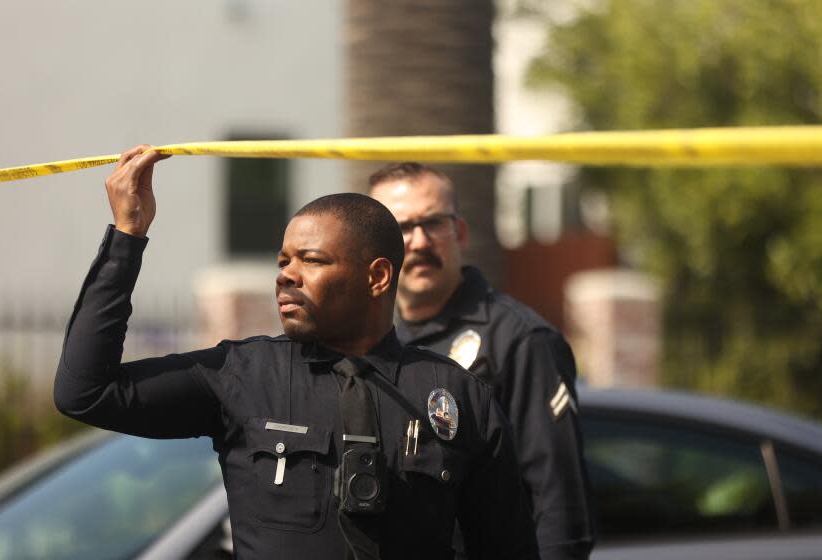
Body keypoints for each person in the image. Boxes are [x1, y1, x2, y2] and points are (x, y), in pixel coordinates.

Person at [54, 146, 538, 559]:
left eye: (312, 260)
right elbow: (85, 392)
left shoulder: (457, 396)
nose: (287, 274)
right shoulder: (240, 374)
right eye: (283, 260)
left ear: (377, 277)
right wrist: (127, 237)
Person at [369, 163, 595, 560]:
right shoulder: (372, 342)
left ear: (460, 232)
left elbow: (560, 505)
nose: (419, 241)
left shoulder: (520, 340)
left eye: (433, 223)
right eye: (402, 228)